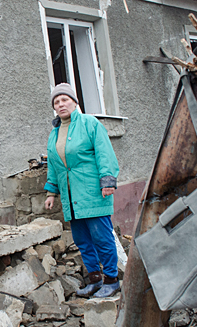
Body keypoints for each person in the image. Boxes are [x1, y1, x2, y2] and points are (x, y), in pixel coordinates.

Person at [44, 83, 121, 298]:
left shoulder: (90, 124)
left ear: (74, 102)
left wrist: (107, 181)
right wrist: (51, 192)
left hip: (92, 192)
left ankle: (112, 280)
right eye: (56, 102)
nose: (61, 104)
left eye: (64, 99)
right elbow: (54, 165)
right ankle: (95, 281)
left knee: (102, 238)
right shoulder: (54, 134)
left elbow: (104, 152)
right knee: (83, 241)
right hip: (71, 198)